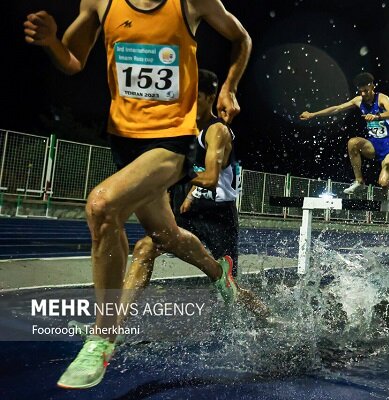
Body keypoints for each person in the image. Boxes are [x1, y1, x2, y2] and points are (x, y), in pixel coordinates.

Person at [24, 0, 252, 389]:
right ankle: (221, 277)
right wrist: (50, 43)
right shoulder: (99, 3)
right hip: (125, 142)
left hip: (173, 141)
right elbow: (73, 61)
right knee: (165, 235)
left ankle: (103, 336)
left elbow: (240, 38)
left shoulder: (192, 3)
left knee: (102, 206)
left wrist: (228, 86)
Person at [118, 69, 269, 329]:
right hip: (186, 217)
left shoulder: (217, 131)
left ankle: (267, 318)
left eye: (195, 95)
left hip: (217, 218)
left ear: (210, 97)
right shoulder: (180, 131)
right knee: (145, 248)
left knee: (229, 288)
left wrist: (170, 175)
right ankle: (114, 326)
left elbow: (210, 177)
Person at [300, 72, 389, 198]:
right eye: (361, 91)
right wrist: (313, 114)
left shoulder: (382, 98)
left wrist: (377, 116)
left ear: (372, 87)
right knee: (353, 142)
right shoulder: (358, 101)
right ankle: (359, 181)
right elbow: (337, 108)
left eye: (366, 91)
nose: (364, 94)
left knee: (383, 183)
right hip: (373, 144)